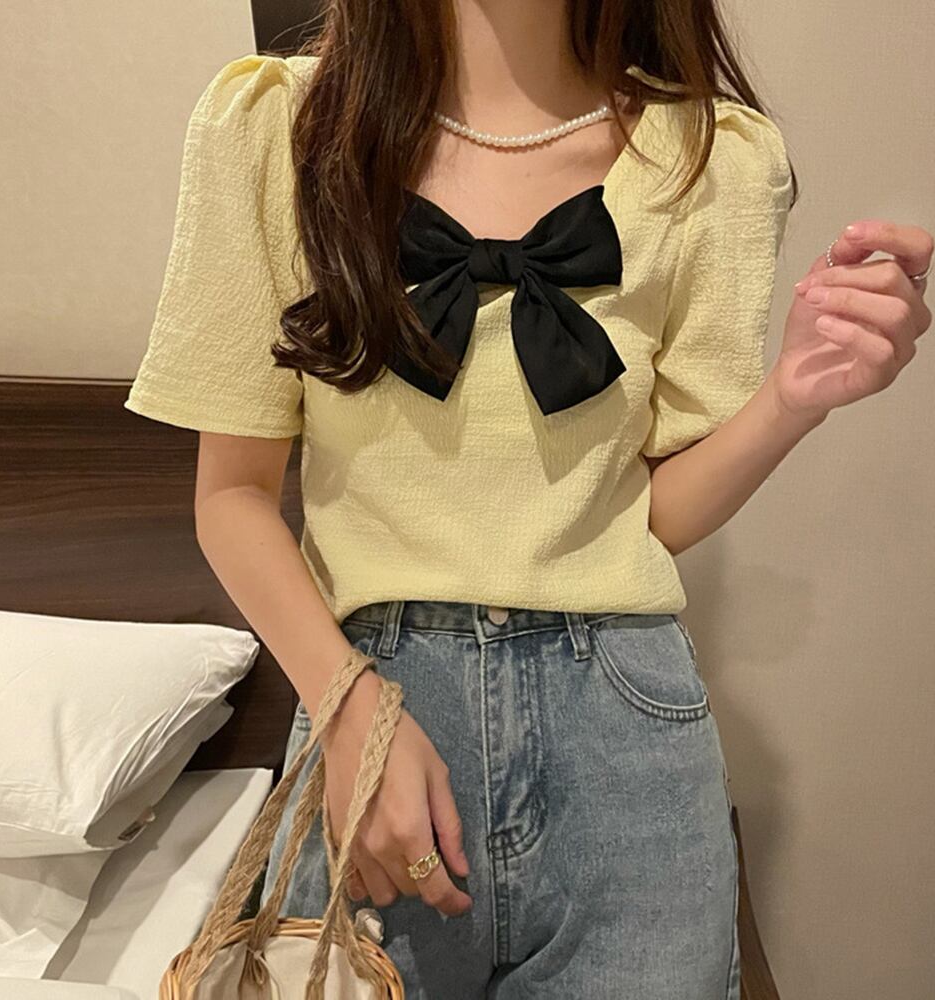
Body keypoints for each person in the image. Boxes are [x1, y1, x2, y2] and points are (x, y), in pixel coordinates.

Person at [124, 2, 931, 995]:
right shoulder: (280, 130)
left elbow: (648, 518)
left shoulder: (709, 160)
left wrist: (793, 396)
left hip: (625, 747)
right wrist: (347, 709)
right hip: (375, 720)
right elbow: (233, 498)